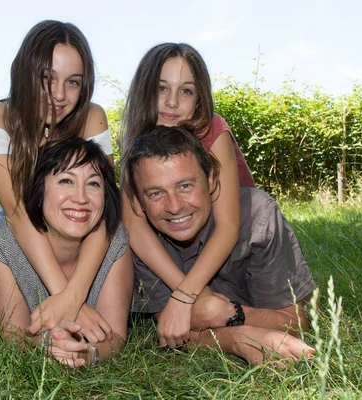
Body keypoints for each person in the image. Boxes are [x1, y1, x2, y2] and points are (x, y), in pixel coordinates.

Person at [123, 126, 316, 365]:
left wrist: (228, 312)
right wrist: (237, 338)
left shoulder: (258, 216)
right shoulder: (144, 242)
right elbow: (175, 331)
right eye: (155, 194)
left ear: (211, 179)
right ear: (138, 201)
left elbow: (297, 322)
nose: (174, 206)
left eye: (185, 186)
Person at [0, 20, 114, 339]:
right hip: (15, 250)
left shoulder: (92, 117)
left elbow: (105, 209)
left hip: (77, 255)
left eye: (73, 82)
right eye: (47, 78)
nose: (60, 95)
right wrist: (71, 299)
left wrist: (73, 297)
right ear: (24, 71)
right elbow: (18, 215)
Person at [0, 138, 132, 367]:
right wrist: (50, 348)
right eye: (66, 180)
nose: (81, 198)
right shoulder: (1, 241)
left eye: (93, 184)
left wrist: (86, 354)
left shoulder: (114, 239)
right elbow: (14, 339)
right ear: (39, 189)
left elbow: (115, 336)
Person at [120, 43, 255, 346]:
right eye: (161, 88)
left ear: (199, 99)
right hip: (175, 241)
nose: (171, 102)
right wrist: (189, 293)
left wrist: (183, 297)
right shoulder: (138, 142)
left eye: (186, 91)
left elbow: (229, 226)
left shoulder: (213, 130)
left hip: (230, 239)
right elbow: (134, 226)